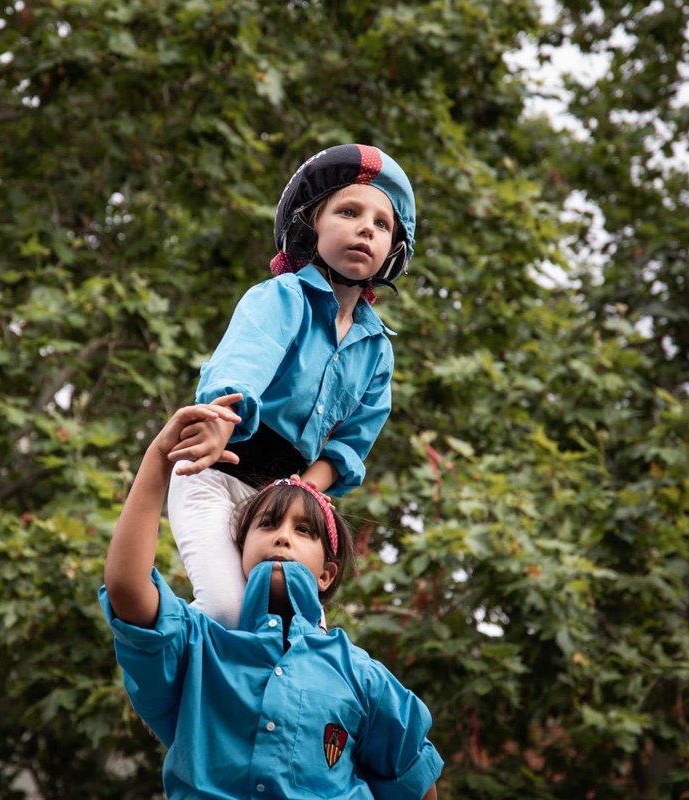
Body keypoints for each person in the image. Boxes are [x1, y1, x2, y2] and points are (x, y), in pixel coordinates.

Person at [101, 397, 442, 799]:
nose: (282, 536)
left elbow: (416, 779)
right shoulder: (197, 648)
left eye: (304, 530)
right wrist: (160, 456)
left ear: (326, 574)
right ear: (240, 554)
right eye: (267, 524)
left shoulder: (361, 676)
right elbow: (126, 588)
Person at [168, 144, 417, 627]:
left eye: (382, 224)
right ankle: (175, 646)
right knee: (228, 609)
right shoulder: (283, 297)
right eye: (349, 212)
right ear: (311, 226)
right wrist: (219, 422)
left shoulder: (377, 352)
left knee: (304, 630)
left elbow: (350, 445)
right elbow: (241, 364)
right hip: (216, 473)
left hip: (281, 504)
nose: (367, 228)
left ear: (393, 250)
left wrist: (301, 493)